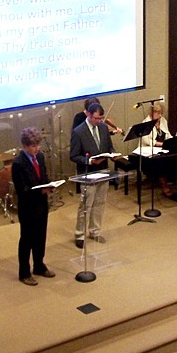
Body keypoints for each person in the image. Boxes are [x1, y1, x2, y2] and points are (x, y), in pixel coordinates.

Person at [11, 127, 56, 286]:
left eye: (38, 145)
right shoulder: (18, 163)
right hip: (28, 207)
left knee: (40, 237)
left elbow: (43, 176)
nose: (36, 149)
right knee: (27, 240)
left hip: (41, 205)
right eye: (33, 146)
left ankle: (39, 265)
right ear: (25, 145)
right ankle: (24, 272)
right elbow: (21, 190)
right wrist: (40, 191)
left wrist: (49, 185)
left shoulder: (41, 157)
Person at [70, 102, 115, 249]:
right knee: (86, 204)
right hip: (87, 173)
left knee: (100, 202)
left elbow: (109, 146)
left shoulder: (103, 127)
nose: (99, 121)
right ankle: (79, 234)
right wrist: (89, 160)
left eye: (101, 118)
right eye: (96, 118)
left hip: (103, 170)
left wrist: (113, 154)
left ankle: (94, 231)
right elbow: (74, 155)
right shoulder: (78, 131)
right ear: (88, 115)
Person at [141, 102, 175, 196]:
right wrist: (161, 144)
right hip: (150, 150)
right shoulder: (145, 123)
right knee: (159, 163)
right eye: (158, 113)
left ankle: (169, 180)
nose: (160, 115)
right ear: (152, 113)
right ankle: (164, 186)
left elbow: (167, 134)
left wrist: (172, 141)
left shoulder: (163, 120)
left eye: (161, 113)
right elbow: (147, 141)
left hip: (162, 148)